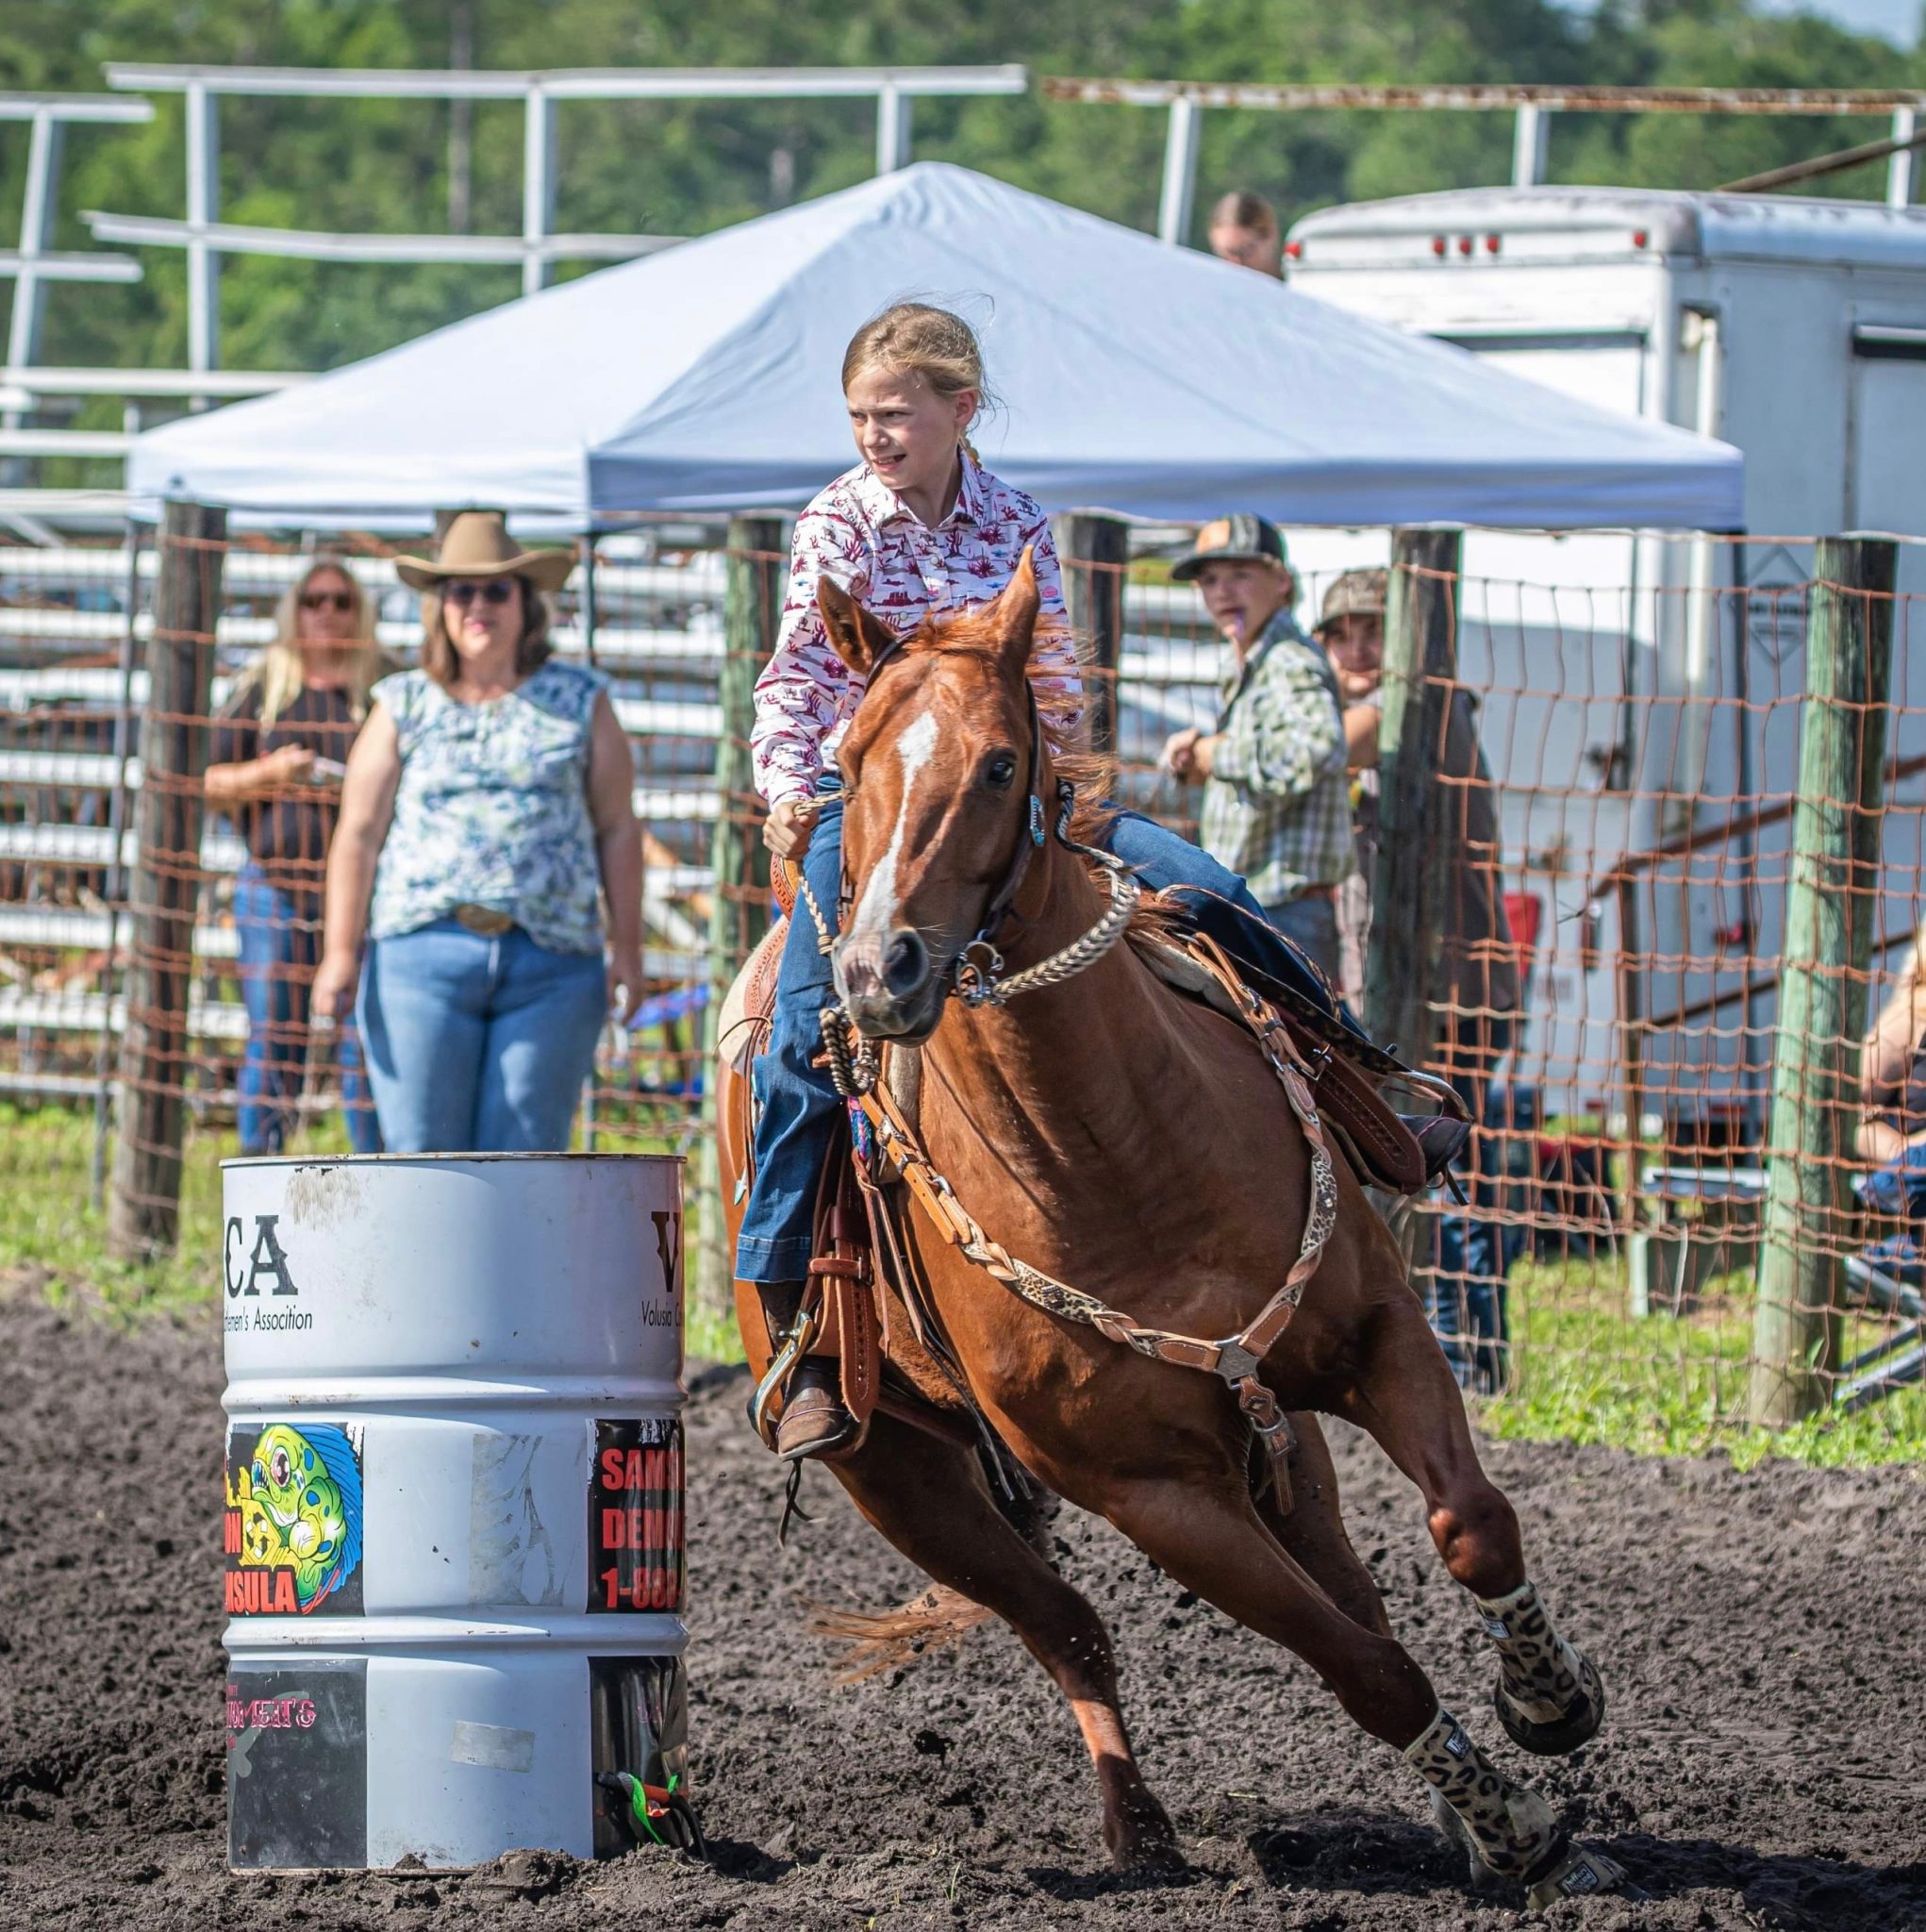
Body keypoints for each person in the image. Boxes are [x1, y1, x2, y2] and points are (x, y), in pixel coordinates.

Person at [745, 302, 1289, 1462]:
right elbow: (795, 681)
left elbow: (1049, 676)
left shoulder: (1017, 522)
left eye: (894, 414)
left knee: (1207, 888)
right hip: (879, 800)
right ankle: (789, 1308)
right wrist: (792, 795)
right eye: (858, 417)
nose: (874, 436)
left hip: (1014, 793)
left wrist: (1055, 787)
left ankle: (1361, 1084)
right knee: (800, 1026)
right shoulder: (836, 524)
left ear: (958, 411)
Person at [311, 512, 644, 1153]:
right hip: (420, 954)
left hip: (551, 962)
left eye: (496, 590)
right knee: (421, 1158)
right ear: (439, 608)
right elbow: (357, 833)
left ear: (526, 603)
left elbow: (618, 829)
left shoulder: (580, 699)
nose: (478, 606)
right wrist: (340, 953)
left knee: (526, 1155)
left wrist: (626, 949)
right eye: (460, 591)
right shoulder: (402, 701)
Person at [1316, 566, 1521, 1391]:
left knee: (1453, 1167)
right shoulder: (1372, 716)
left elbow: (1334, 745)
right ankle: (1443, 1343)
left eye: (1373, 629)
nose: (1357, 647)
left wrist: (1236, 745)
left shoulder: (1432, 704)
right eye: (1341, 635)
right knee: (1411, 1165)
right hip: (1399, 985)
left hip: (1457, 986)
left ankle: (1470, 1352)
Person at [207, 555, 384, 1157]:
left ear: (360, 612)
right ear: (294, 610)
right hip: (276, 887)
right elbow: (204, 781)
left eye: (341, 601)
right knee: (274, 1037)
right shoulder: (264, 687)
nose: (327, 613)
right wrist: (274, 772)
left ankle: (377, 1172)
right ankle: (262, 1175)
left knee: (365, 1042)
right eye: (315, 600)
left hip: (364, 895)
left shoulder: (380, 688)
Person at [1159, 516, 1354, 984]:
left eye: (1240, 575)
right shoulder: (1255, 661)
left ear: (1282, 582)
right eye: (1209, 580)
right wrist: (1205, 758)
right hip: (1265, 904)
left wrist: (1215, 756)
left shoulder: (1288, 660)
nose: (1223, 591)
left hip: (1284, 909)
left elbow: (1317, 746)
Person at [1207, 191, 1284, 276]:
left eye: (1244, 252)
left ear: (1271, 235)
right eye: (1224, 255)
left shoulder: (1296, 286)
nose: (1236, 265)